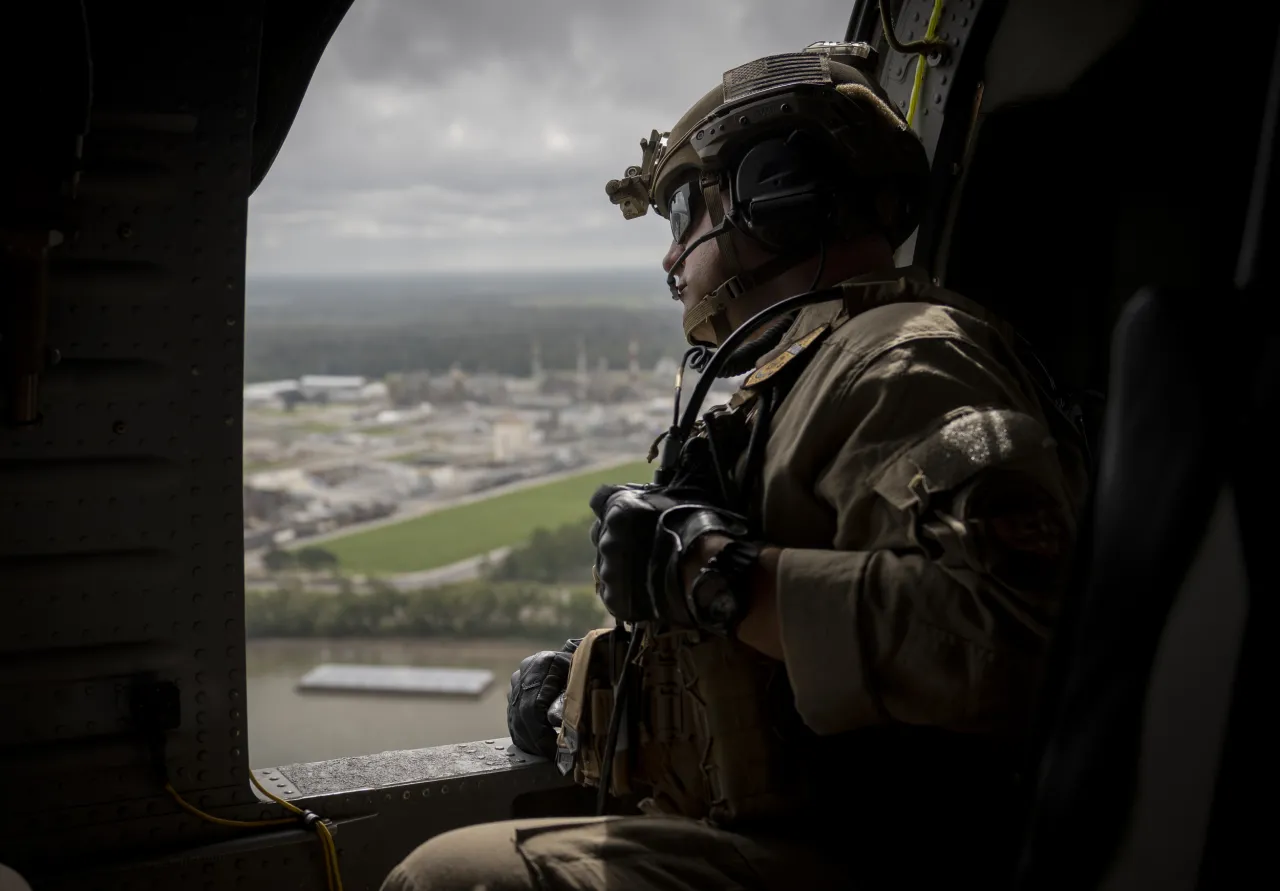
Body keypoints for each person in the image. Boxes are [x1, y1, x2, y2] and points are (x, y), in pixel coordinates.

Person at [382, 45, 1091, 891]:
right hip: (794, 832)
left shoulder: (903, 358)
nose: (671, 259)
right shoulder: (808, 370)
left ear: (774, 195)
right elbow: (769, 656)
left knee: (453, 880)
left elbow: (1020, 642)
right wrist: (578, 684)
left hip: (881, 853)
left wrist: (717, 577)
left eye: (684, 213)